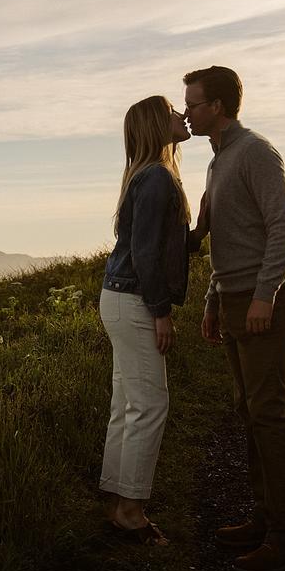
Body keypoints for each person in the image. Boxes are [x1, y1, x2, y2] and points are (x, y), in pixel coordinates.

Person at [180, 65, 285, 571]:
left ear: (217, 106)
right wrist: (214, 299)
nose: (186, 113)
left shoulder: (256, 151)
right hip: (233, 297)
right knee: (248, 411)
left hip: (264, 301)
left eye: (192, 104)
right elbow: (227, 242)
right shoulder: (218, 162)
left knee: (270, 414)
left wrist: (265, 295)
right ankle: (264, 518)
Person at [99, 94, 193, 545]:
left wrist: (203, 226)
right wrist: (161, 313)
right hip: (135, 299)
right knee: (150, 405)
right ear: (159, 123)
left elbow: (162, 244)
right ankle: (131, 512)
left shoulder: (147, 175)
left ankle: (119, 501)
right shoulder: (157, 177)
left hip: (118, 297)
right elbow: (146, 254)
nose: (182, 115)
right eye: (174, 110)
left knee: (128, 404)